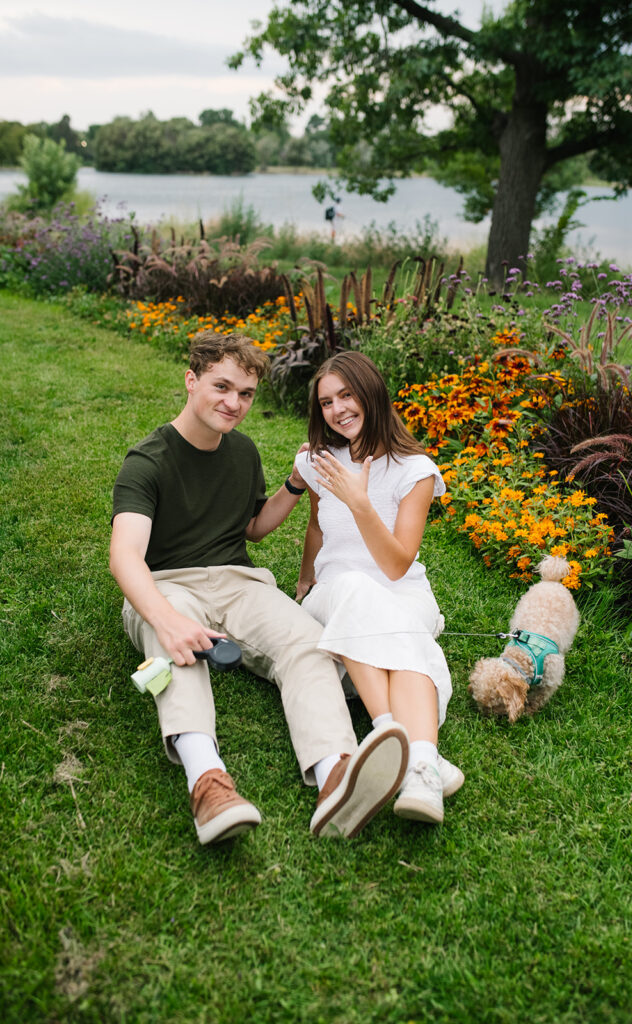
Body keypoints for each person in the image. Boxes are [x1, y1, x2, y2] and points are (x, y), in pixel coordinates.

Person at [109, 331, 410, 846]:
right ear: (191, 380)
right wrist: (166, 618)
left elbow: (251, 528)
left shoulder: (243, 451)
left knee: (308, 646)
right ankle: (207, 781)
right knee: (177, 653)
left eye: (245, 394)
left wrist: (294, 486)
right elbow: (125, 556)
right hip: (167, 583)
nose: (234, 403)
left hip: (239, 582)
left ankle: (334, 774)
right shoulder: (148, 460)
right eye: (221, 387)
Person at [295, 351, 465, 825]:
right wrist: (306, 579)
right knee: (352, 586)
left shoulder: (416, 471)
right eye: (326, 401)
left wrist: (360, 503)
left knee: (398, 623)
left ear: (370, 392)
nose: (337, 409)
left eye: (346, 395)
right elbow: (315, 525)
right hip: (334, 595)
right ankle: (410, 751)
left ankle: (415, 765)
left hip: (400, 591)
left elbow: (396, 565)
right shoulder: (318, 461)